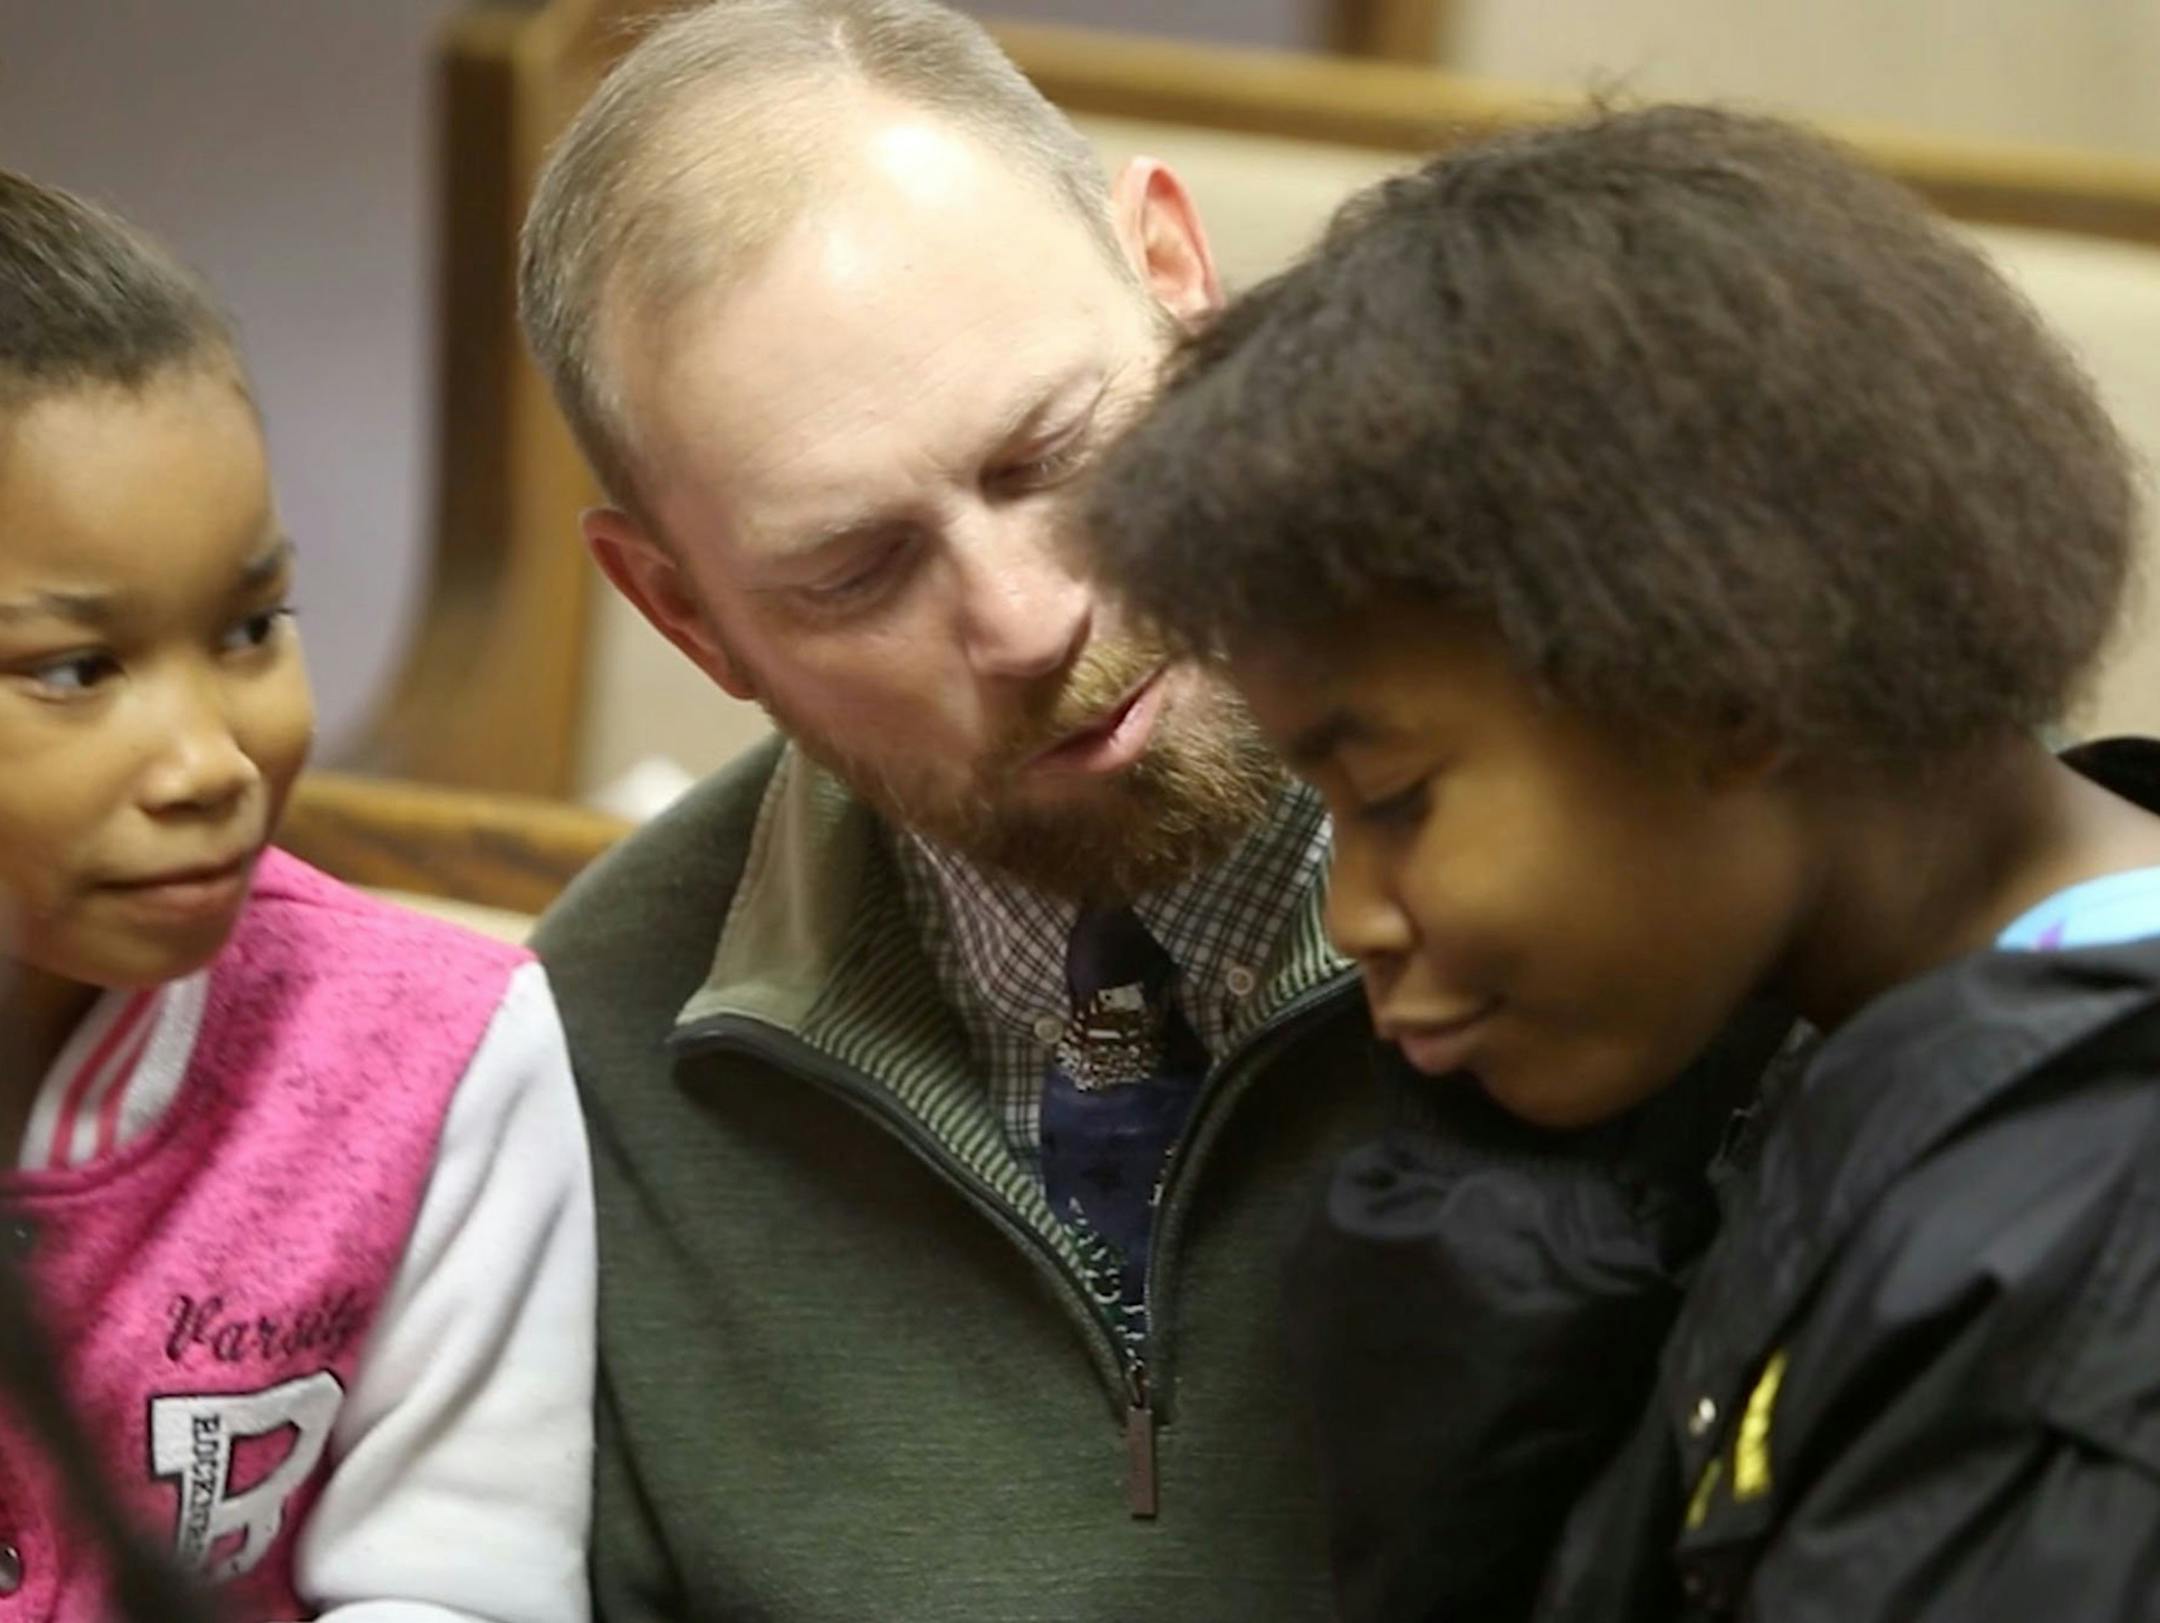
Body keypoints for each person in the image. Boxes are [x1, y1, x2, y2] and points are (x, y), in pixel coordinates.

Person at [516, 5, 1786, 1619]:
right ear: (686, 616)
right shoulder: (584, 1066)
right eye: (856, 572)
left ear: (1179, 280)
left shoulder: (1682, 825)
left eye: (1052, 454)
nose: (1025, 618)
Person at [1082, 102, 2160, 1620]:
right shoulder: (1827, 1072)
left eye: (1391, 797)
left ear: (1726, 687)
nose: (1353, 915)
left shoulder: (2079, 1284)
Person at [0, 169, 596, 1622]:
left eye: (251, 626)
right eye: (76, 672)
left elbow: (464, 1584)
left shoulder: (437, 1060)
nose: (210, 761)